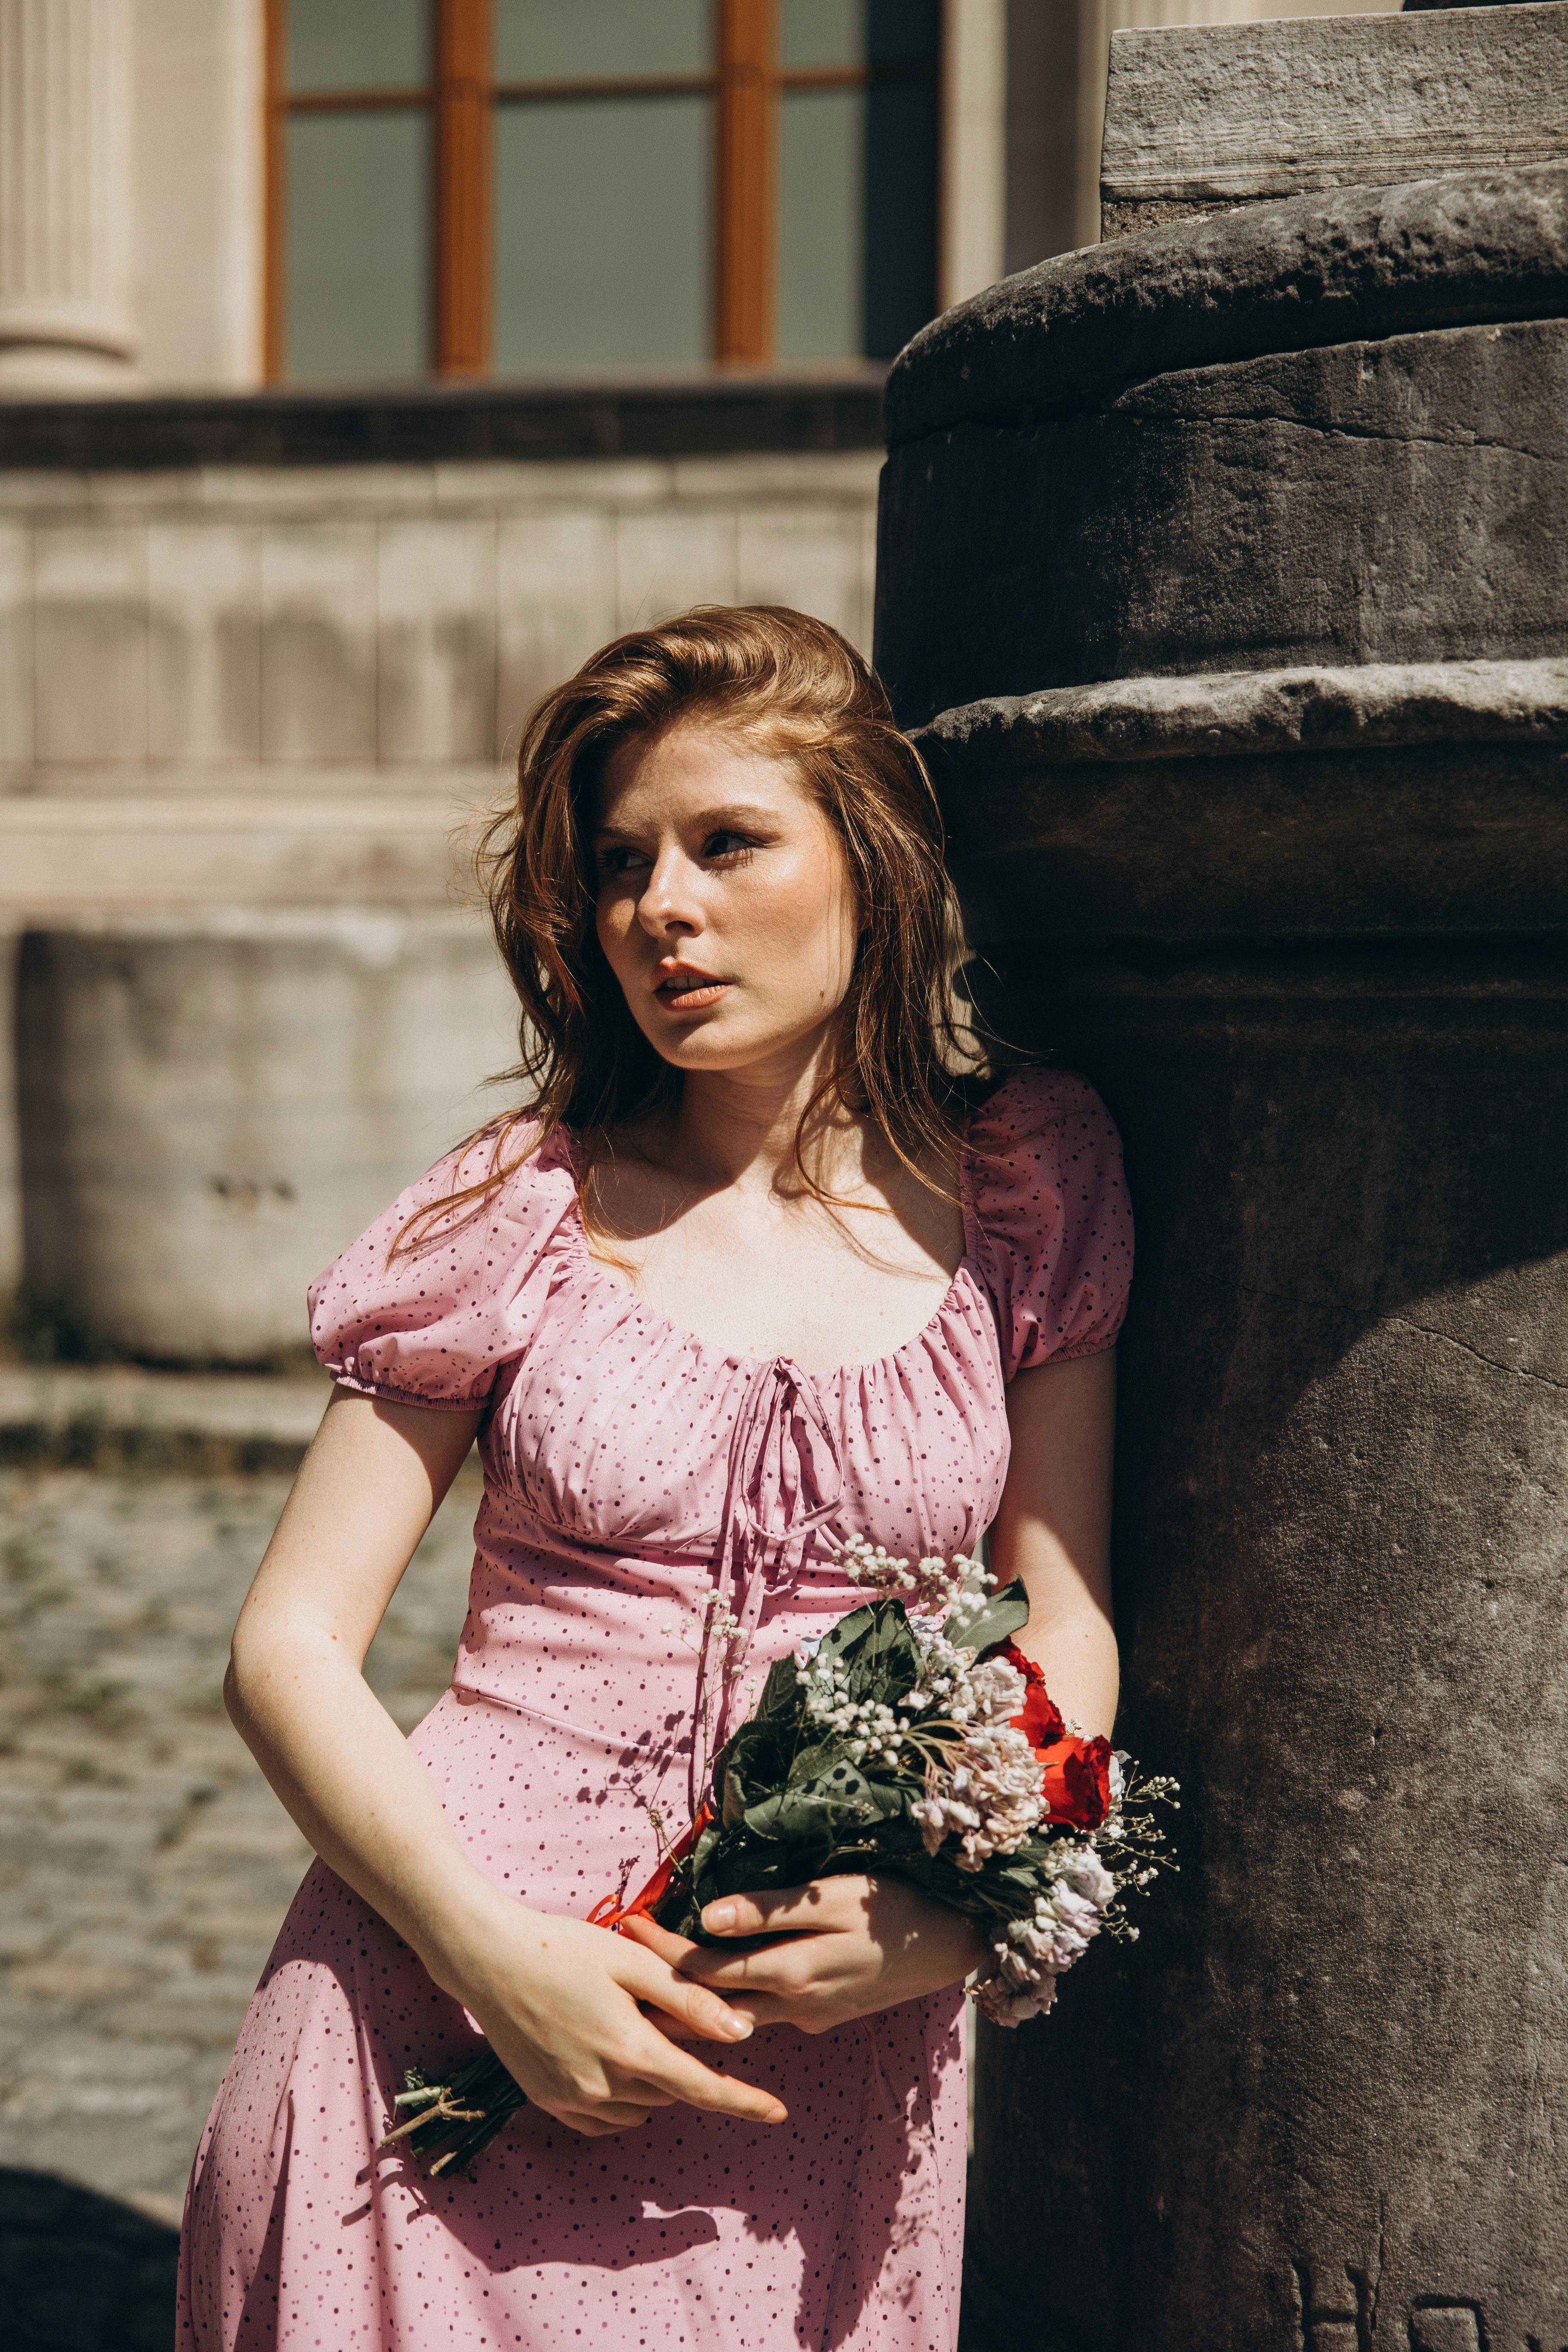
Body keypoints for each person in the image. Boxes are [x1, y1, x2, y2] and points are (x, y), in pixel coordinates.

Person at [178, 606, 1131, 2351]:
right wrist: (499, 1963)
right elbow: (287, 1649)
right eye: (620, 866)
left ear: (875, 860)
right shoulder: (513, 1213)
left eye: (727, 843)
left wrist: (947, 1919)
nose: (660, 911)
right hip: (437, 2032)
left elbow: (1062, 1612)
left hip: (813, 2093)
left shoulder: (1026, 1186)